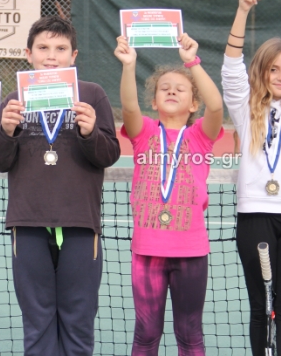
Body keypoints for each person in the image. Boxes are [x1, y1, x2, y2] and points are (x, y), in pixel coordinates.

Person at [0, 16, 120, 356]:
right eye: (43, 48)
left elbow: (109, 154)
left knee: (78, 322)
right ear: (28, 53)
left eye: (60, 49)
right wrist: (6, 131)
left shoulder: (92, 95)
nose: (51, 56)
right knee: (38, 323)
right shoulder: (15, 100)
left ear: (73, 56)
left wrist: (90, 133)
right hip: (28, 223)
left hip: (80, 223)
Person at [115, 33, 223, 355]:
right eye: (164, 88)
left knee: (190, 334)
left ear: (193, 104)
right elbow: (129, 106)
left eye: (180, 88)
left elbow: (216, 105)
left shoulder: (201, 136)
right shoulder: (144, 133)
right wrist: (129, 65)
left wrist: (193, 63)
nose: (172, 91)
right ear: (154, 101)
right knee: (146, 334)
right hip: (148, 252)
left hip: (191, 252)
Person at [222, 0, 281, 356]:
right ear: (262, 71)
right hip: (255, 216)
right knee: (260, 307)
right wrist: (242, 10)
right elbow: (231, 68)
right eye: (274, 69)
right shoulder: (245, 106)